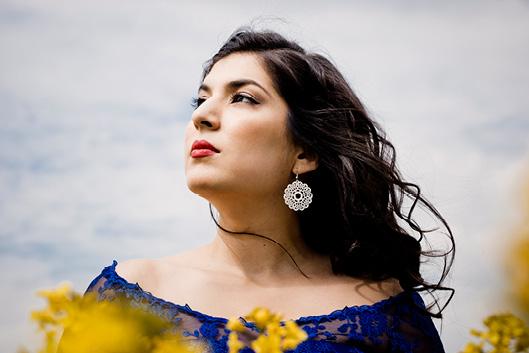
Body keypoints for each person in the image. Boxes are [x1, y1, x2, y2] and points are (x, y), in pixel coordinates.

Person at [84, 27, 455, 353]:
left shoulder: (386, 309)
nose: (201, 116)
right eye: (200, 100)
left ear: (305, 152)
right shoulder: (126, 294)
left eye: (242, 97)